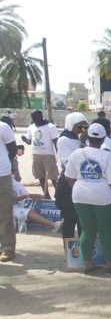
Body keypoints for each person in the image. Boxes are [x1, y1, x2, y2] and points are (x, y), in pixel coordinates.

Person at [64, 123, 111, 275]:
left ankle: (87, 264)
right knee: (107, 231)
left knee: (87, 230)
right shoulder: (107, 156)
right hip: (104, 198)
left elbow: (68, 177)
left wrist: (81, 187)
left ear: (88, 137)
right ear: (103, 138)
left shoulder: (76, 154)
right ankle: (110, 265)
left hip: (80, 196)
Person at [56, 112, 90, 239]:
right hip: (68, 182)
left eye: (84, 126)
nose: (82, 129)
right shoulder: (63, 140)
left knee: (83, 218)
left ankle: (83, 249)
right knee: (70, 218)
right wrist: (82, 144)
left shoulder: (82, 139)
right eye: (79, 126)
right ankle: (68, 250)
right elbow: (69, 162)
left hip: (82, 181)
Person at [21, 110, 59, 199]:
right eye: (33, 118)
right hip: (36, 155)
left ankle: (59, 196)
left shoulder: (50, 127)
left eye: (35, 118)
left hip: (48, 155)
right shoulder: (31, 127)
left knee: (53, 177)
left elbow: (56, 142)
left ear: (41, 116)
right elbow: (30, 141)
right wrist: (25, 140)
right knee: (41, 176)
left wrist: (58, 155)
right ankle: (46, 195)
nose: (34, 120)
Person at [0, 120, 18, 262]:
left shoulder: (3, 127)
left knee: (5, 212)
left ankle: (8, 248)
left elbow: (12, 150)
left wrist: (5, 163)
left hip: (2, 175)